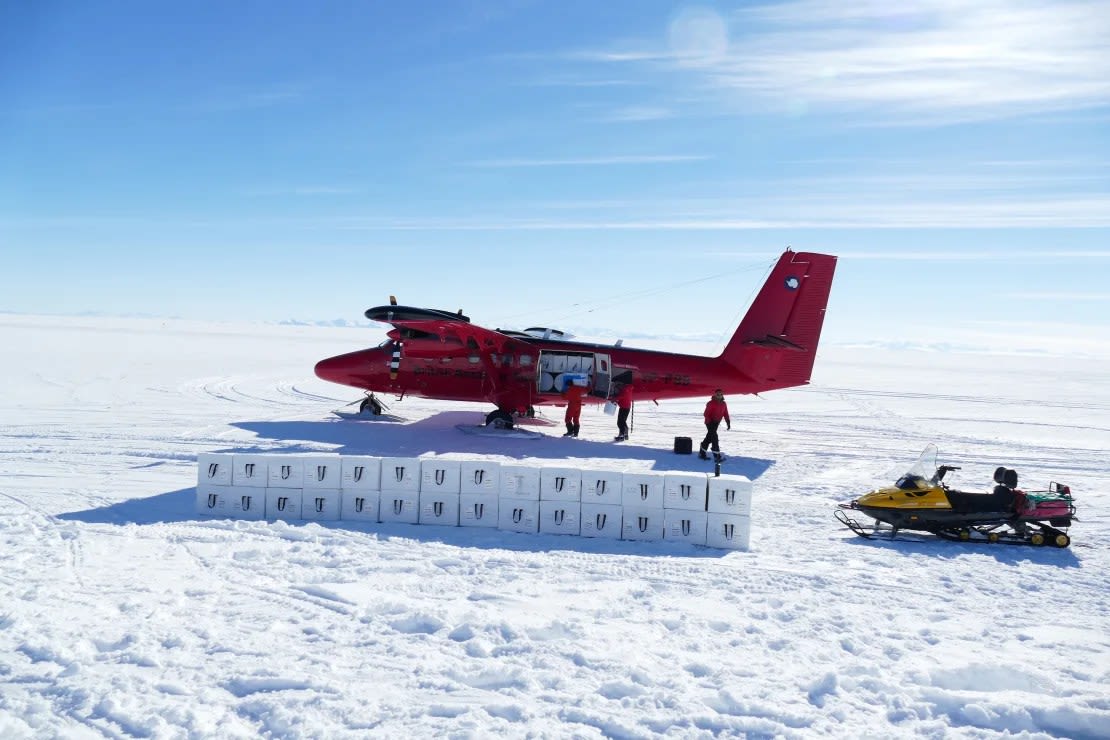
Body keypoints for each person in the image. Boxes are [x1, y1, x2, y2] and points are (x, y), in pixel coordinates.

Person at [699, 389, 730, 461]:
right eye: (718, 394)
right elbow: (706, 414)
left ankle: (702, 453)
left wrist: (728, 422)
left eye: (721, 394)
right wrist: (711, 421)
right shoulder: (711, 403)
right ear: (715, 395)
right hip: (709, 423)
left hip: (716, 423)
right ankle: (717, 456)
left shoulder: (724, 404)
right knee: (714, 438)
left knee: (708, 438)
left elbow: (725, 413)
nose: (719, 396)